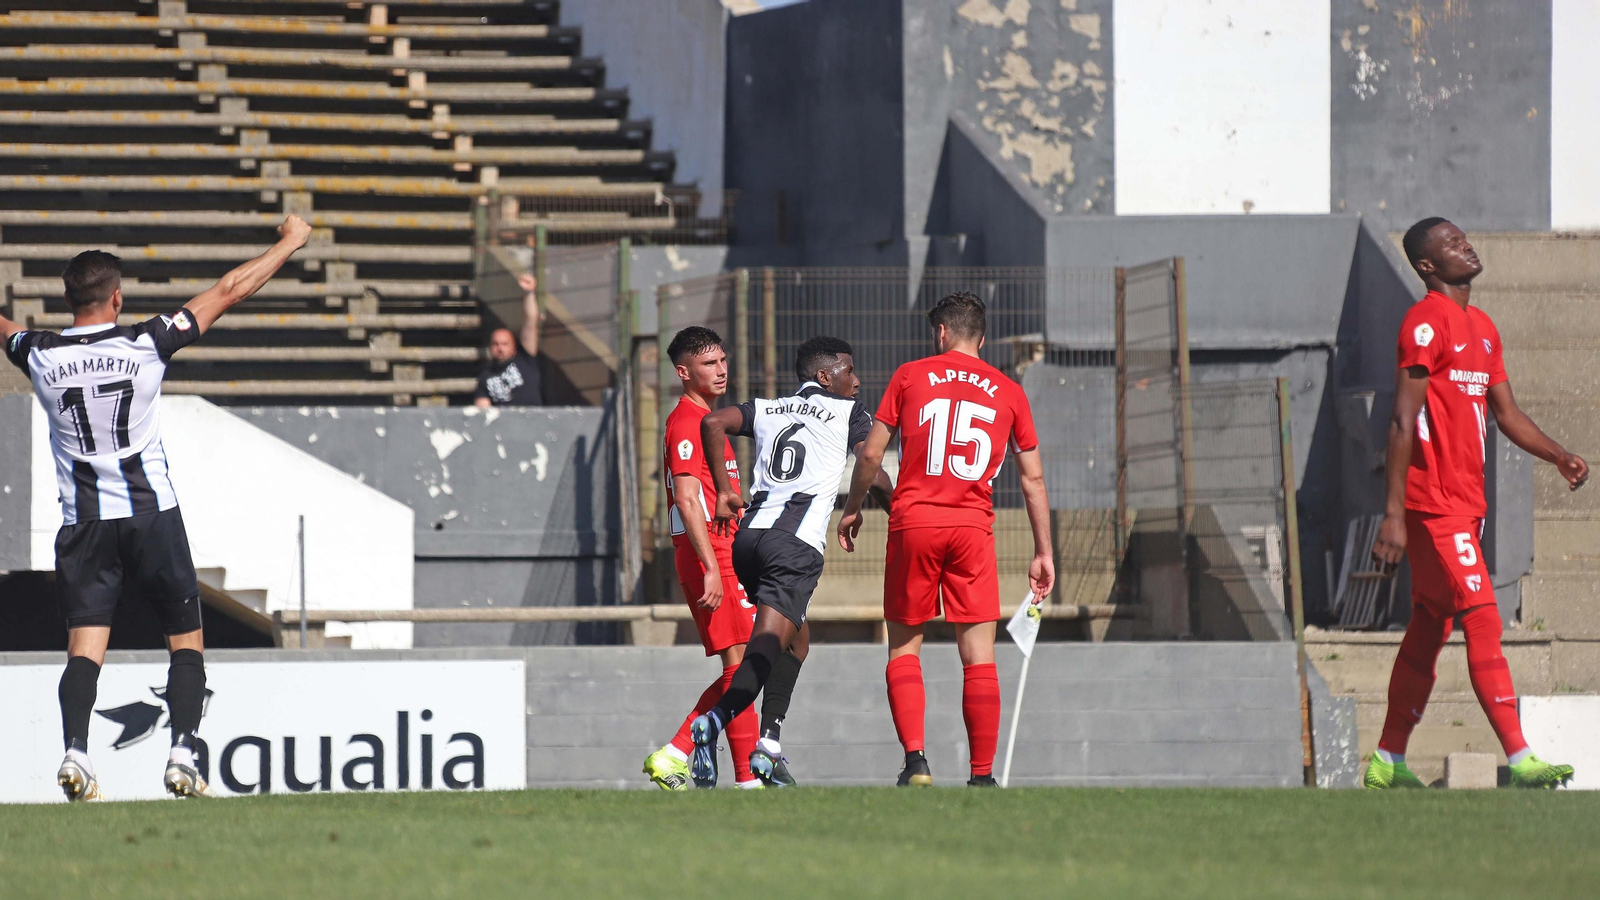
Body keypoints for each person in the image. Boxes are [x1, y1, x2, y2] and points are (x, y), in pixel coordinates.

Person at [0, 216, 314, 801]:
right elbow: (230, 289)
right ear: (116, 296)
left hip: (86, 525)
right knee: (186, 641)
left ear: (68, 299)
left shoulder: (39, 354)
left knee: (85, 647)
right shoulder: (146, 341)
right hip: (153, 517)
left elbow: (5, 331)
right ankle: (182, 754)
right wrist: (290, 242)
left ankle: (75, 753)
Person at [1365, 218, 1582, 790]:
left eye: (1464, 237)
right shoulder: (1424, 323)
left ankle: (1387, 759)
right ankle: (1520, 756)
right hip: (1433, 502)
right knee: (1483, 613)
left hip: (1466, 501)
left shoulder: (1482, 328)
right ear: (1427, 266)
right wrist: (1393, 513)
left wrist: (1558, 454)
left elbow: (1505, 414)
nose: (1466, 245)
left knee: (1430, 623)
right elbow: (1401, 418)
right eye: (1451, 244)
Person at [838, 291, 1055, 787]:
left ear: (941, 333)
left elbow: (871, 457)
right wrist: (1044, 551)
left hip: (914, 523)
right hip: (972, 529)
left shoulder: (911, 375)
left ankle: (916, 762)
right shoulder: (1009, 391)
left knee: (904, 648)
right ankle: (981, 777)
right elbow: (1033, 480)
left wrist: (852, 510)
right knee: (978, 655)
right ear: (981, 336)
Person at [688, 336, 892, 787]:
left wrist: (723, 490)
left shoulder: (770, 406)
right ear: (825, 377)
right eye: (848, 370)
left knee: (796, 642)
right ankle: (713, 723)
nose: (856, 381)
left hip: (749, 539)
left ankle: (769, 747)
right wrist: (893, 515)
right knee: (766, 644)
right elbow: (873, 469)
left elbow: (712, 423)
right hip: (793, 545)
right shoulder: (848, 413)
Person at [641, 326, 765, 790]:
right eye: (709, 363)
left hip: (725, 552)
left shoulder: (709, 421)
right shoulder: (686, 422)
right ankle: (700, 760)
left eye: (722, 359)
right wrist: (712, 566)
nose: (721, 369)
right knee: (743, 667)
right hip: (710, 557)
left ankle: (694, 757)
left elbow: (709, 497)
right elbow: (688, 500)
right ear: (683, 372)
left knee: (750, 662)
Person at [474, 272, 544, 407]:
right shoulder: (485, 377)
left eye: (505, 344)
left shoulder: (525, 359)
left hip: (533, 422)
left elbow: (531, 321)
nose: (500, 348)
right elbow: (482, 410)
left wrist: (529, 293)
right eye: (495, 344)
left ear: (513, 347)